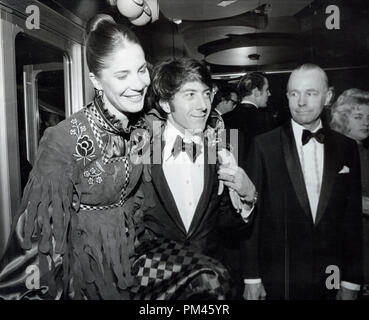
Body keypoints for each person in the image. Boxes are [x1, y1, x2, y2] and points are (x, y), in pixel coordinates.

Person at [0, 15, 229, 300]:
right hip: (85, 274)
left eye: (142, 70)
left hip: (133, 257)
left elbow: (197, 114)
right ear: (95, 80)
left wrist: (221, 151)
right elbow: (34, 241)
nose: (138, 84)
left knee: (210, 278)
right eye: (122, 76)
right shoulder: (64, 140)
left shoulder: (142, 125)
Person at [242, 64, 363, 300]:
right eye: (294, 93)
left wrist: (352, 281)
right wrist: (252, 278)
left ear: (327, 97)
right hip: (279, 277)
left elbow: (352, 218)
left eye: (311, 93)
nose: (301, 102)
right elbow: (250, 217)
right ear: (286, 97)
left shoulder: (346, 148)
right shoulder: (263, 145)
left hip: (331, 276)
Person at [140, 57, 257, 298]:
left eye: (206, 93)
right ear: (164, 103)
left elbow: (226, 225)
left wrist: (248, 197)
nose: (203, 105)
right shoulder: (140, 154)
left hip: (210, 288)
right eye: (190, 94)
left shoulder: (223, 153)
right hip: (156, 288)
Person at [330, 88, 369, 296]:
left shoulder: (365, 155)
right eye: (358, 116)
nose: (366, 122)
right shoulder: (329, 152)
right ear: (343, 118)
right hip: (336, 254)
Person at [225, 72, 275, 154]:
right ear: (256, 92)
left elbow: (212, 157)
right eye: (267, 89)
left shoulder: (223, 119)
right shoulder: (266, 121)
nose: (269, 94)